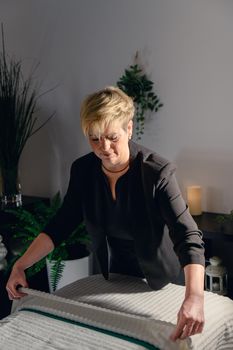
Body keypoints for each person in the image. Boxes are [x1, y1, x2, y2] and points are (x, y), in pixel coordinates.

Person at [6, 86, 205, 341]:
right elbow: (61, 224)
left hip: (158, 279)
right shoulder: (83, 171)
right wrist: (21, 264)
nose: (104, 147)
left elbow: (187, 234)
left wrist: (195, 296)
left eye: (112, 136)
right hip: (112, 276)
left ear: (129, 129)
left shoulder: (157, 173)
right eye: (95, 138)